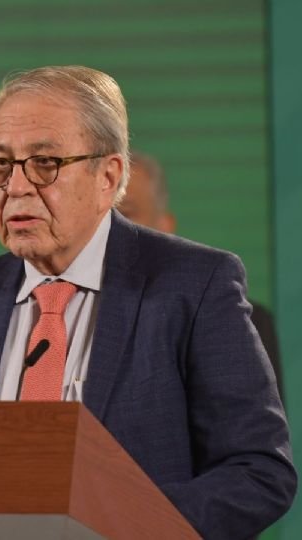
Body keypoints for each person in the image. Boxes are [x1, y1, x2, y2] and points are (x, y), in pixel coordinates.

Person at [0, 66, 296, 539]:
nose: (16, 187)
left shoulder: (193, 286)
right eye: (0, 164)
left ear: (108, 177)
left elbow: (258, 472)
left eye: (44, 163)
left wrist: (124, 526)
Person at [118, 151, 284, 398]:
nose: (110, 227)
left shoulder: (240, 322)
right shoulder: (65, 312)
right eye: (103, 216)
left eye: (125, 213)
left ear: (165, 228)